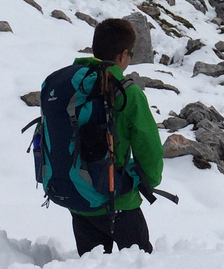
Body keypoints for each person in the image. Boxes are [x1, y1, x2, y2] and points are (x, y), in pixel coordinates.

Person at [65, 17, 164, 255]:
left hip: (78, 199)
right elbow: (149, 148)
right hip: (118, 202)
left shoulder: (71, 86)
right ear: (122, 55)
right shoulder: (128, 94)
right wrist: (148, 180)